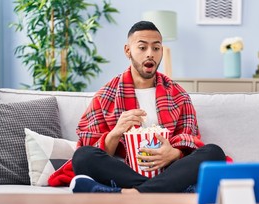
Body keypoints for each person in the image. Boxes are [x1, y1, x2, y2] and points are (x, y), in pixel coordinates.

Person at [70, 21, 226, 194]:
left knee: (214, 153)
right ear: (128, 50)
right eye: (142, 48)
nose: (150, 54)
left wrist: (174, 154)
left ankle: (132, 193)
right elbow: (91, 145)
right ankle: (158, 190)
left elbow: (189, 139)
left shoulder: (178, 94)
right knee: (82, 156)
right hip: (125, 171)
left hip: (170, 170)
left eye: (156, 48)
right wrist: (116, 132)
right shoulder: (106, 95)